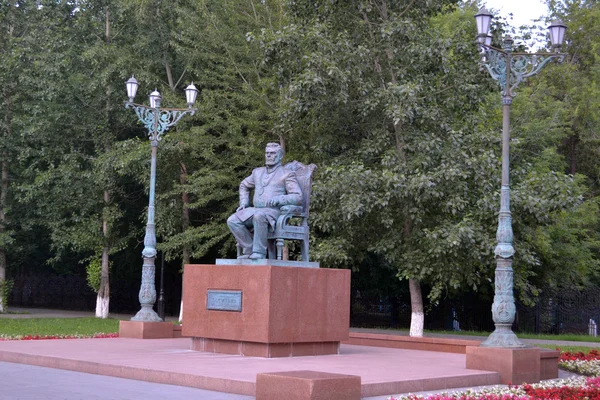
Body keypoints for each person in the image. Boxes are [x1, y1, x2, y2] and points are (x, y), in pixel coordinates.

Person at [227, 143, 303, 259]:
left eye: (272, 153)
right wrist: (243, 203)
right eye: (267, 153)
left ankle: (259, 253)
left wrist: (279, 199)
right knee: (232, 220)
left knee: (259, 216)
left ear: (280, 156)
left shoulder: (287, 173)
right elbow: (244, 185)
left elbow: (298, 197)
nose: (268, 156)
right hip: (255, 210)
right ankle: (249, 249)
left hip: (274, 212)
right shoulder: (257, 172)